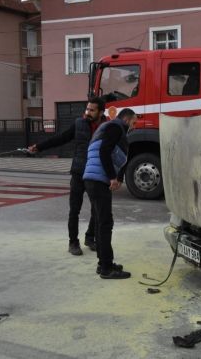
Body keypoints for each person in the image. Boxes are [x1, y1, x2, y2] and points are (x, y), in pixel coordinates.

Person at [28, 98, 107, 256]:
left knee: (97, 209)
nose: (88, 112)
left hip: (97, 174)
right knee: (74, 210)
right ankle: (73, 242)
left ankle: (90, 238)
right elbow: (61, 138)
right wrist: (39, 147)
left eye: (92, 110)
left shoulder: (107, 127)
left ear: (101, 112)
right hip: (79, 172)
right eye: (87, 109)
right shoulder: (79, 124)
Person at [83, 108, 137, 279]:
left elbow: (114, 155)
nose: (134, 127)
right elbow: (104, 151)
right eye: (134, 123)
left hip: (92, 179)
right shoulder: (116, 127)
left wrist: (117, 176)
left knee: (101, 222)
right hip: (99, 180)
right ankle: (106, 268)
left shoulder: (106, 127)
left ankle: (103, 263)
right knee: (105, 223)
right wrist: (112, 177)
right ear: (126, 119)